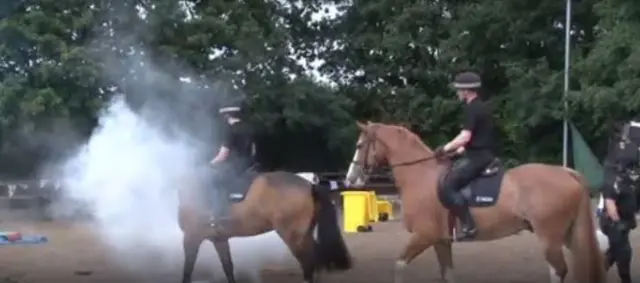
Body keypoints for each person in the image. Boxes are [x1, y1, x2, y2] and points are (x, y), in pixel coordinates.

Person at [434, 71, 499, 241]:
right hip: (478, 153)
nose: (457, 93)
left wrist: (445, 148)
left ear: (466, 91)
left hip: (479, 157)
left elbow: (465, 137)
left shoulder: (472, 108)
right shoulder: (480, 107)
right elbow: (476, 138)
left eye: (458, 90)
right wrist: (456, 152)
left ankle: (469, 226)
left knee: (448, 185)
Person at [599, 119, 640, 283]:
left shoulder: (629, 175)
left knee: (615, 252)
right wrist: (616, 219)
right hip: (614, 218)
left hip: (623, 215)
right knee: (623, 251)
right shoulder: (616, 174)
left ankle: (594, 272)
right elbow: (610, 200)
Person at [209, 102, 256, 228]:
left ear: (227, 116)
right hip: (249, 164)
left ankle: (218, 214)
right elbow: (253, 150)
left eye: (225, 116)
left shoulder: (230, 131)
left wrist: (211, 163)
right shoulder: (248, 128)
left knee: (214, 181)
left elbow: (223, 155)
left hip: (235, 165)